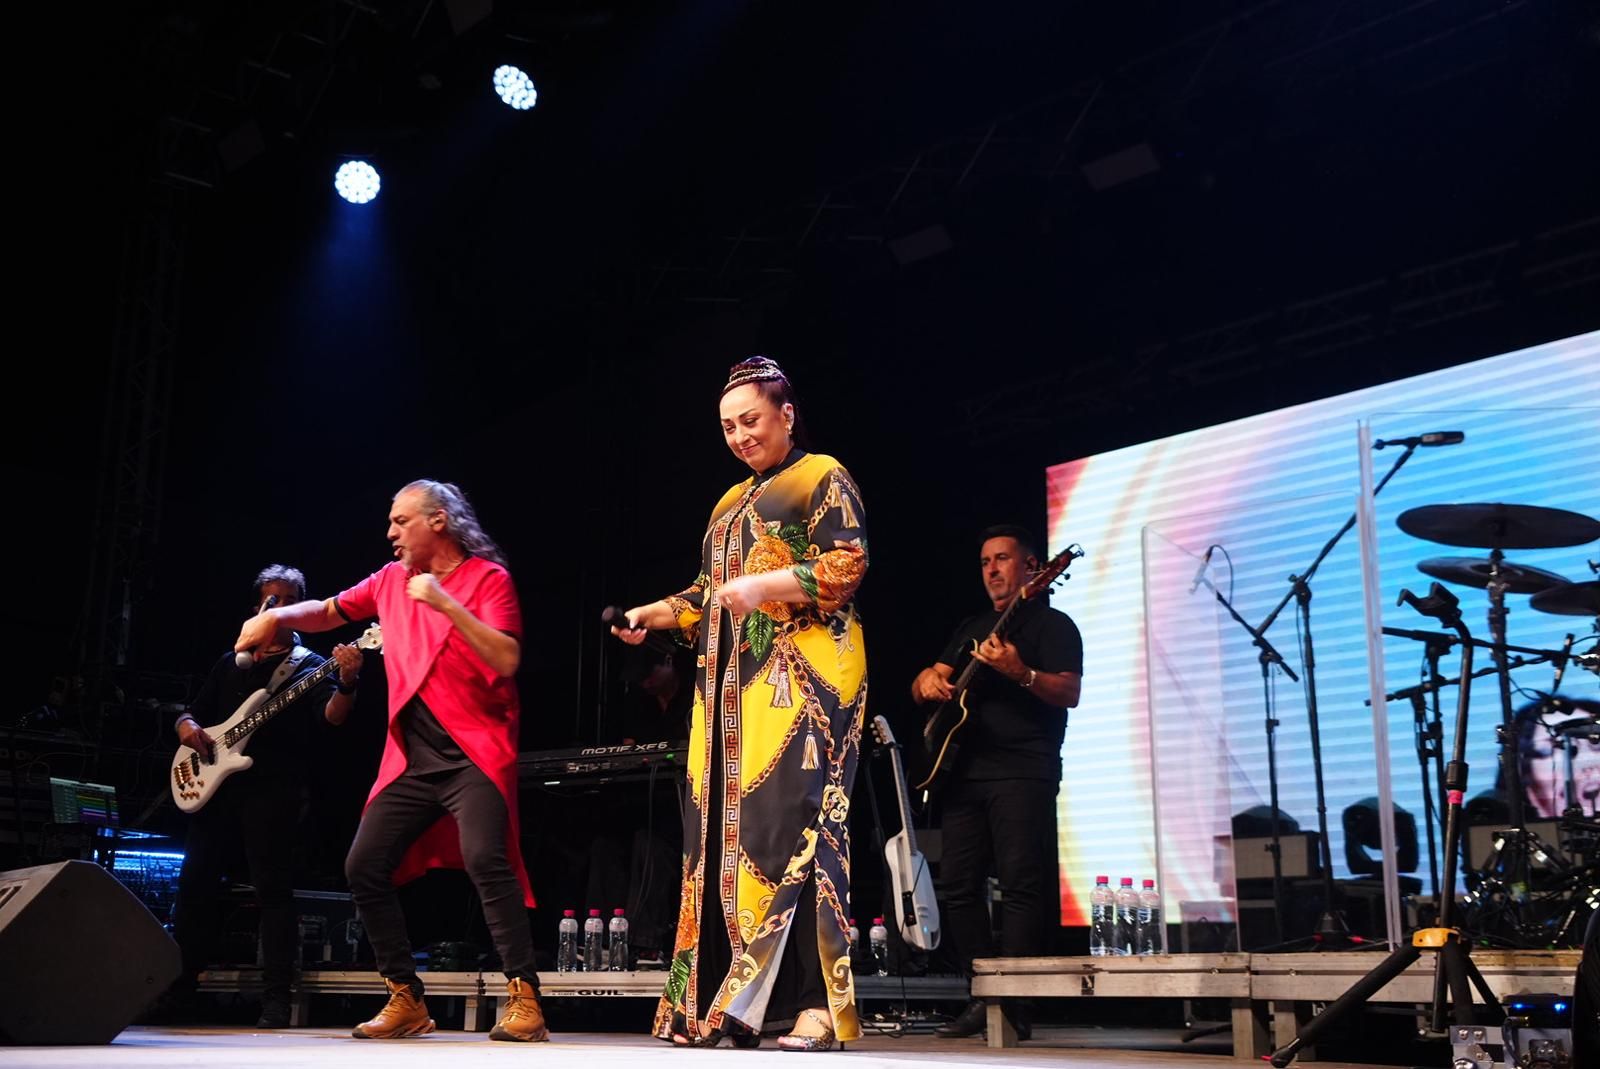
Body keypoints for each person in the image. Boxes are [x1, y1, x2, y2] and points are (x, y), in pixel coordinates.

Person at [612, 356, 868, 1051]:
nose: (739, 435)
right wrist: (652, 613)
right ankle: (725, 1003)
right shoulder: (728, 503)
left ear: (786, 414)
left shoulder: (822, 475)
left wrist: (764, 587)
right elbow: (706, 593)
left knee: (797, 829)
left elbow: (845, 565)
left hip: (802, 682)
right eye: (728, 426)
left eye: (750, 420)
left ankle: (814, 1008)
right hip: (730, 690)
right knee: (721, 835)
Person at [233, 480, 546, 1042]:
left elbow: (506, 657)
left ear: (439, 521)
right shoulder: (389, 580)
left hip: (473, 749)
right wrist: (278, 620)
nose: (391, 533)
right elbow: (330, 611)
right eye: (391, 522)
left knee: (485, 859)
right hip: (413, 756)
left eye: (401, 521)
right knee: (363, 866)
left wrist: (445, 602)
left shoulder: (486, 579)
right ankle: (406, 997)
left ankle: (525, 998)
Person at [169, 564, 361, 1028]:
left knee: (273, 892)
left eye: (286, 600)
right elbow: (192, 713)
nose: (275, 609)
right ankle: (178, 989)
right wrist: (187, 728)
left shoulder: (311, 666)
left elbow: (332, 719)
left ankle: (276, 997)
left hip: (273, 791)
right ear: (256, 606)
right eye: (268, 600)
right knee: (194, 887)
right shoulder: (230, 662)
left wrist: (350, 682)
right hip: (216, 788)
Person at [911, 525, 1082, 1040]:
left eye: (1002, 559)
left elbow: (1068, 692)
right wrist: (926, 681)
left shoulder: (1054, 626)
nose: (991, 569)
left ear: (1034, 568)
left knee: (1020, 885)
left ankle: (1014, 1002)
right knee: (958, 887)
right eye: (985, 561)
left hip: (1024, 770)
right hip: (964, 771)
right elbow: (925, 681)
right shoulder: (974, 625)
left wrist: (1020, 672)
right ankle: (982, 992)